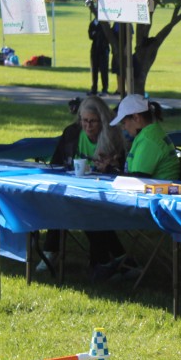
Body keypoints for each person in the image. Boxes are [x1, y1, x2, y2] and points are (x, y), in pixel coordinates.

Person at [41, 96, 126, 276]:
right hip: (73, 188)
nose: (88, 126)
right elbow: (56, 164)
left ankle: (106, 261)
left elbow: (121, 172)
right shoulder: (72, 133)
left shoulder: (113, 137)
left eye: (93, 121)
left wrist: (109, 167)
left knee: (86, 210)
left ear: (102, 121)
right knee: (60, 202)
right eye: (84, 121)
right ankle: (114, 259)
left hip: (103, 193)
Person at [111, 93, 181, 180]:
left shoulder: (149, 140)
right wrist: (117, 166)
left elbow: (137, 180)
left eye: (124, 122)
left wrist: (110, 170)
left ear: (136, 118)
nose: (123, 127)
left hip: (158, 188)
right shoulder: (149, 134)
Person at [87, 2, 110, 95]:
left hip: (103, 49)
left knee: (104, 70)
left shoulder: (105, 23)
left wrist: (95, 33)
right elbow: (90, 35)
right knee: (94, 70)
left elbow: (105, 35)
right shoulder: (93, 23)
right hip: (95, 49)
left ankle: (105, 89)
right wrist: (95, 33)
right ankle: (94, 88)